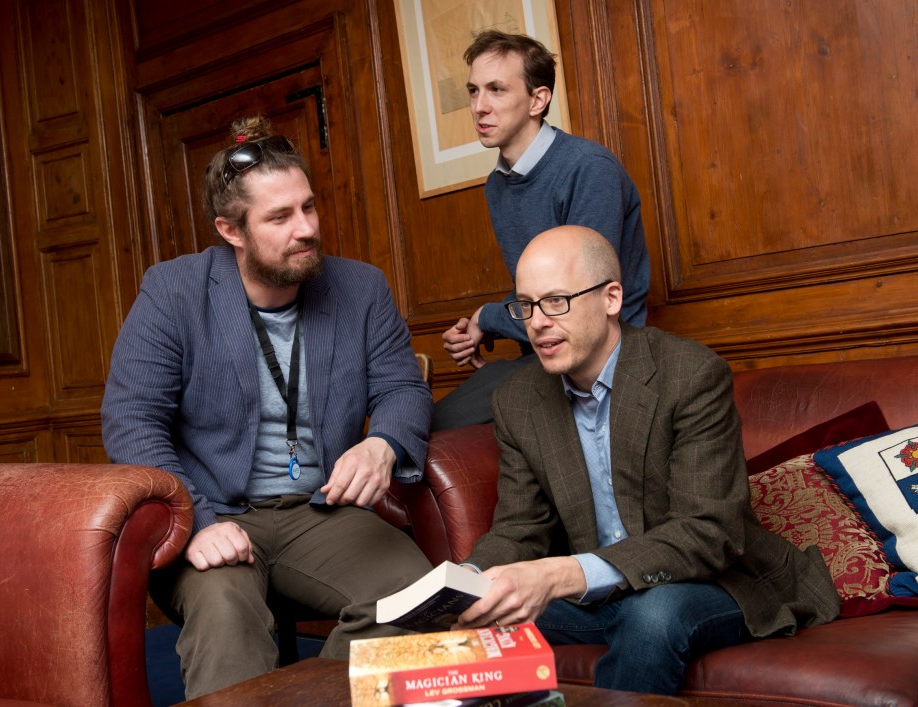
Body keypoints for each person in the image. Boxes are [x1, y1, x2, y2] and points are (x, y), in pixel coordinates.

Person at [100, 116, 434, 698]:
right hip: (214, 511)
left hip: (322, 512)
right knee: (227, 618)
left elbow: (402, 388)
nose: (305, 229)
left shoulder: (361, 288)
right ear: (231, 230)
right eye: (280, 217)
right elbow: (132, 421)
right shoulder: (174, 291)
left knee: (419, 600)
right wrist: (195, 521)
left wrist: (385, 442)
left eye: (308, 207)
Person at [452, 225, 840, 695]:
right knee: (472, 617)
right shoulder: (518, 399)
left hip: (712, 582)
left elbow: (709, 531)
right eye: (527, 305)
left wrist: (562, 573)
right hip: (597, 595)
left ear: (611, 298)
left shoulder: (690, 374)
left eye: (556, 301)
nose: (536, 322)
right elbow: (520, 528)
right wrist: (467, 583)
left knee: (652, 616)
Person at [433, 30, 651, 431]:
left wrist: (488, 316)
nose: (480, 107)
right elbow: (540, 291)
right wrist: (481, 325)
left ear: (538, 100)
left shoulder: (589, 168)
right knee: (424, 428)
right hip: (546, 353)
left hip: (609, 358)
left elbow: (577, 304)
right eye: (473, 91)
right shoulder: (498, 185)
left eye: (497, 89)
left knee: (436, 428)